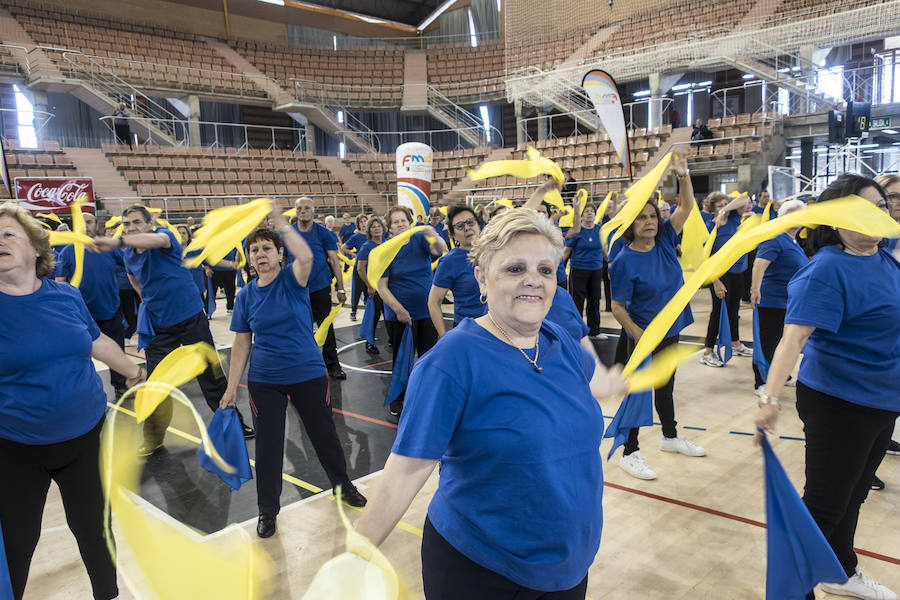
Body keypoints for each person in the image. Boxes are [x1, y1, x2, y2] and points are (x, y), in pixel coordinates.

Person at [355, 208, 625, 599]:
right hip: (482, 569)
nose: (533, 280)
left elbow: (598, 383)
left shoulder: (560, 341)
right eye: (515, 268)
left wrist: (627, 378)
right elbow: (405, 473)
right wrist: (354, 557)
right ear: (481, 277)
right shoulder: (451, 361)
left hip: (567, 567)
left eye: (545, 270)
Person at [754, 174, 899, 600]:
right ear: (835, 217)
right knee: (824, 505)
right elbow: (793, 338)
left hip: (881, 399)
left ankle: (841, 570)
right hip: (840, 402)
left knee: (854, 494)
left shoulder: (881, 256)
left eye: (881, 206)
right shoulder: (828, 269)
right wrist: (770, 398)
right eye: (863, 208)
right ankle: (793, 591)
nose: (877, 215)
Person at [0, 202, 145, 600]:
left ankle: (108, 595)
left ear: (35, 248)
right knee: (17, 542)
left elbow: (97, 342)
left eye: (8, 233)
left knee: (96, 531)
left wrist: (133, 372)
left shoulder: (65, 295)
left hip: (84, 438)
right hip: (16, 448)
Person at [222, 202, 366, 539]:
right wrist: (231, 388)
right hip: (265, 381)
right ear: (249, 258)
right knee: (269, 447)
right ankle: (267, 510)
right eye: (254, 249)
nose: (260, 254)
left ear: (279, 254)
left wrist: (279, 223)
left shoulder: (292, 279)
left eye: (266, 248)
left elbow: (308, 258)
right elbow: (242, 343)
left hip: (308, 375)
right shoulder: (245, 297)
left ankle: (343, 486)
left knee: (325, 436)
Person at [92, 204, 254, 456]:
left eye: (136, 222)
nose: (131, 228)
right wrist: (143, 295)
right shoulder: (128, 255)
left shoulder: (164, 238)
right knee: (157, 384)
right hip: (158, 326)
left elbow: (155, 239)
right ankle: (154, 438)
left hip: (190, 318)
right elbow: (133, 277)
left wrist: (119, 240)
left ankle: (233, 424)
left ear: (148, 224)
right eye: (126, 224)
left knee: (211, 376)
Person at [609, 157, 707, 480]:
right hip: (641, 335)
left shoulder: (665, 242)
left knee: (665, 387)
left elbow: (686, 207)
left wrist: (684, 175)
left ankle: (670, 437)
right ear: (631, 225)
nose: (649, 222)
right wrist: (639, 334)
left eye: (652, 216)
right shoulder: (623, 261)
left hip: (670, 329)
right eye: (642, 218)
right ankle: (630, 452)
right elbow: (618, 307)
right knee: (637, 393)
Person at [378, 205, 447, 420]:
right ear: (389, 228)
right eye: (396, 222)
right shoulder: (386, 249)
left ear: (410, 222)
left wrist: (433, 234)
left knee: (428, 356)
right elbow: (382, 286)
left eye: (403, 220)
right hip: (400, 314)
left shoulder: (419, 240)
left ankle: (426, 396)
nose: (400, 225)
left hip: (427, 311)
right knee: (402, 359)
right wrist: (398, 309)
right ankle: (399, 399)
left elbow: (440, 250)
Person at [55, 210, 128, 396]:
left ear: (97, 225)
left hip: (111, 309)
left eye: (90, 222)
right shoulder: (67, 252)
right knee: (81, 354)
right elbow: (60, 282)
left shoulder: (109, 249)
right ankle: (85, 390)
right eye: (82, 222)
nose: (87, 225)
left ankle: (120, 386)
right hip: (82, 314)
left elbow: (130, 267)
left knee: (117, 349)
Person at [749, 199, 807, 396]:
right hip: (771, 300)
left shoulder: (792, 239)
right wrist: (755, 289)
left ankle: (781, 376)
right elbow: (759, 264)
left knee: (781, 342)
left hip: (787, 301)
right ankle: (762, 382)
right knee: (767, 342)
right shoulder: (775, 237)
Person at [289, 197, 347, 380]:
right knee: (299, 329)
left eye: (307, 208)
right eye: (299, 208)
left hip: (320, 288)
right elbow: (282, 261)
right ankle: (301, 366)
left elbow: (334, 261)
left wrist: (341, 288)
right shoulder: (288, 234)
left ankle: (333, 366)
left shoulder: (323, 233)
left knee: (326, 327)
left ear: (314, 211)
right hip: (296, 290)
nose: (303, 211)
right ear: (295, 211)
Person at [700, 191, 754, 367]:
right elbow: (704, 258)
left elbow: (745, 199)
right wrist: (715, 281)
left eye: (726, 203)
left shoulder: (733, 220)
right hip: (720, 275)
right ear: (712, 209)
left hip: (738, 272)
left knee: (733, 310)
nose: (725, 207)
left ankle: (735, 343)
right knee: (718, 312)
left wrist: (726, 209)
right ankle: (707, 352)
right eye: (720, 205)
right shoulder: (709, 227)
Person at [428, 206, 485, 337]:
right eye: (459, 225)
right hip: (468, 332)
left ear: (478, 225)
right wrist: (444, 336)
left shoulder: (494, 252)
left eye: (471, 222)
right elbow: (433, 301)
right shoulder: (449, 262)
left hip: (499, 329)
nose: (467, 228)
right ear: (453, 235)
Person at [565, 201, 607, 340]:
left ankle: (594, 331)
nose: (590, 213)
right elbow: (566, 252)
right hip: (578, 270)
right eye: (587, 211)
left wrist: (611, 266)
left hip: (595, 270)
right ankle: (576, 331)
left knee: (594, 301)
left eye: (592, 211)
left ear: (595, 215)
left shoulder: (600, 230)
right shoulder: (577, 231)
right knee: (577, 302)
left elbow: (604, 251)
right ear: (581, 216)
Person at [357, 216, 387, 355]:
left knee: (388, 313)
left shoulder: (387, 243)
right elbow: (360, 268)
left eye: (378, 226)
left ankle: (392, 339)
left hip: (387, 285)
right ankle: (370, 342)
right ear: (369, 230)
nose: (376, 228)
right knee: (374, 315)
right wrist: (369, 286)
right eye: (373, 226)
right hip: (374, 286)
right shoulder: (366, 246)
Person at [340, 214, 370, 322]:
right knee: (357, 290)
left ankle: (370, 311)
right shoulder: (356, 236)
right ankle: (353, 311)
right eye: (361, 222)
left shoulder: (372, 235)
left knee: (369, 290)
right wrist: (354, 254)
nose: (363, 223)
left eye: (365, 221)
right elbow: (343, 247)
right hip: (359, 268)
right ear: (358, 224)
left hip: (371, 268)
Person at [176, 224, 208, 311]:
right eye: (179, 233)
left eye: (184, 233)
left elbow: (207, 260)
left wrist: (230, 264)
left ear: (188, 235)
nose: (181, 235)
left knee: (199, 311)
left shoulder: (195, 249)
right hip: (180, 288)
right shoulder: (172, 251)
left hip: (196, 286)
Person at [208, 247, 239, 314]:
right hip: (215, 268)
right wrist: (207, 267)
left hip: (230, 268)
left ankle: (230, 307)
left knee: (231, 289)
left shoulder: (231, 238)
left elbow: (237, 249)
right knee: (212, 291)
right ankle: (208, 310)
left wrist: (236, 261)